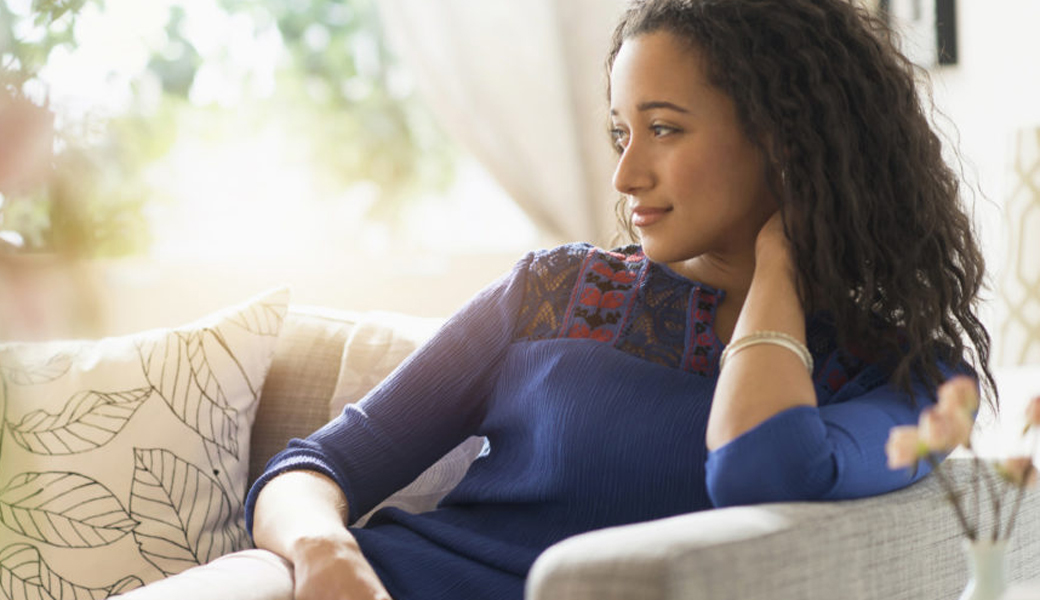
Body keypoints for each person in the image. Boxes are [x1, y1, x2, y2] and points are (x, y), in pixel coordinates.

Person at [118, 1, 995, 599]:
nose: (625, 174)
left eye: (663, 128)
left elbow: (762, 465)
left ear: (788, 137)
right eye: (620, 132)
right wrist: (324, 553)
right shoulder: (555, 289)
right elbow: (312, 467)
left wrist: (781, 270)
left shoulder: (914, 376)